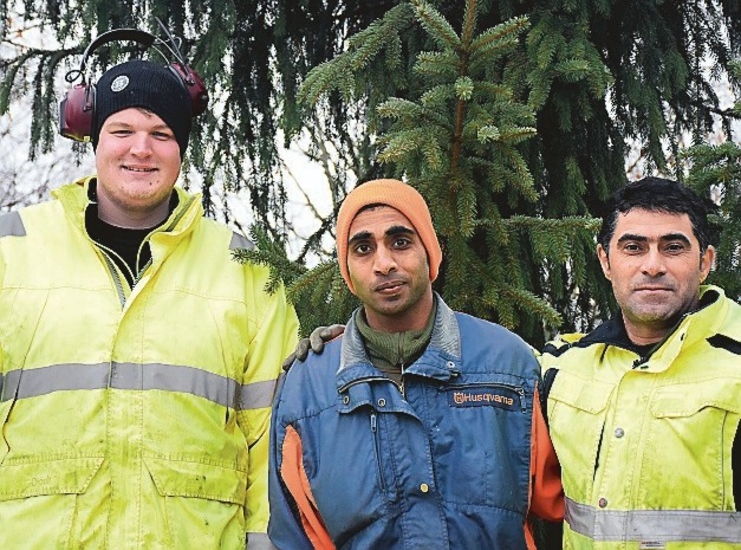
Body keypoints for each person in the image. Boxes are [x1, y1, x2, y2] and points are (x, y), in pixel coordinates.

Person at [0, 56, 298, 548]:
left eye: (161, 133)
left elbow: (275, 435)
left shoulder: (244, 268)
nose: (141, 149)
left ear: (181, 149)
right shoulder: (12, 249)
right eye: (122, 130)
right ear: (92, 137)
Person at [268, 178, 563, 549]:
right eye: (363, 248)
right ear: (347, 271)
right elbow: (295, 537)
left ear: (430, 253)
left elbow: (567, 511)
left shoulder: (507, 363)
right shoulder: (308, 387)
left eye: (401, 241)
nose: (384, 263)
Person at [539, 177, 741, 548]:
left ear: (705, 262)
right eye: (633, 247)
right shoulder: (560, 369)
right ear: (605, 261)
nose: (653, 265)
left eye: (673, 247)